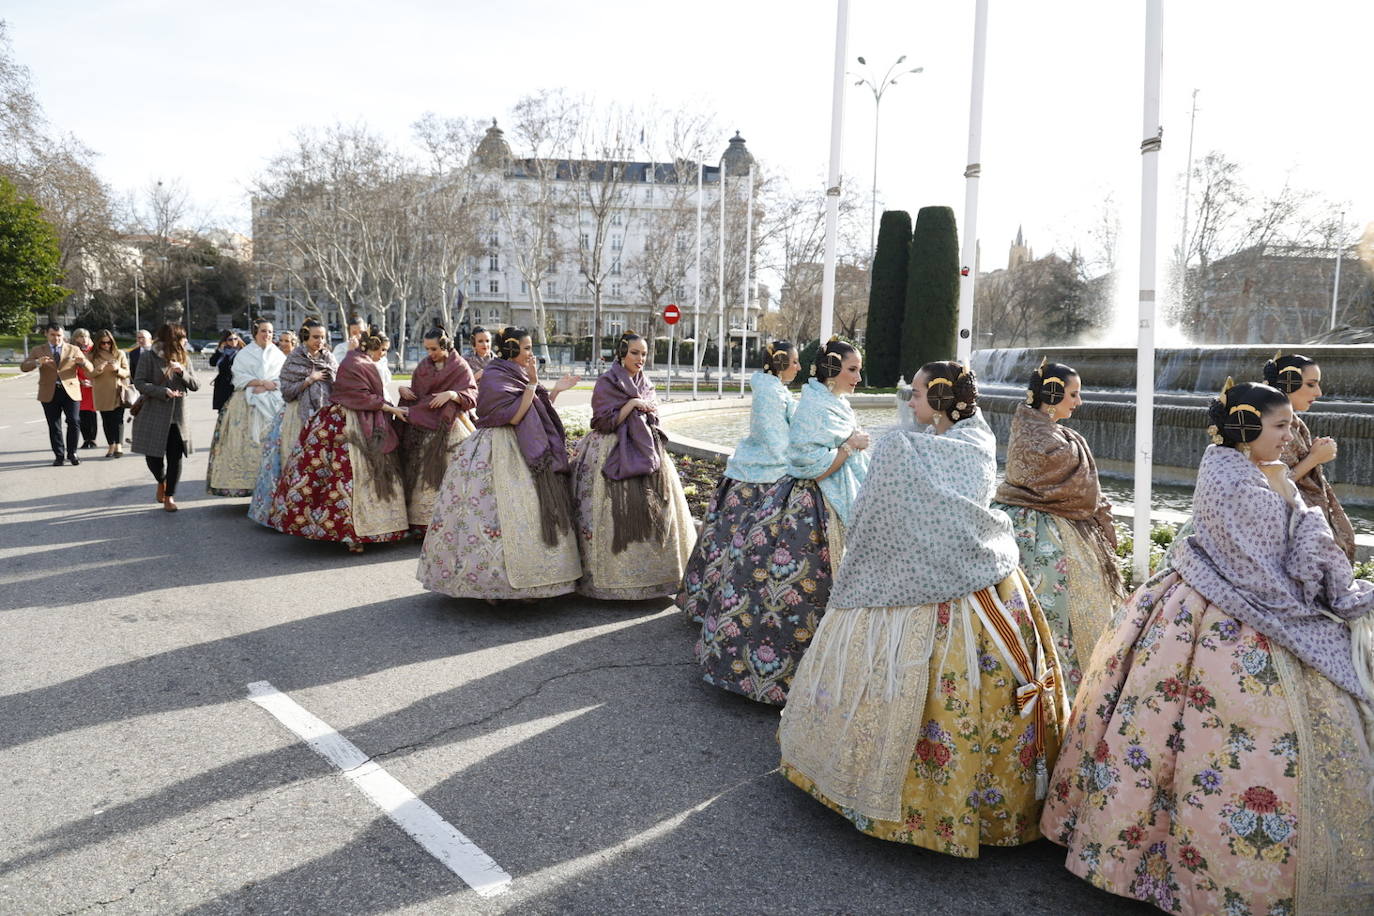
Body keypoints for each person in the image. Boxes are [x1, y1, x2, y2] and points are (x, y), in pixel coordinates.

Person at [1041, 379, 1374, 915]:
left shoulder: (1229, 465)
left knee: (1158, 733)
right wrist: (1297, 504)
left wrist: (1286, 489)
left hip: (1191, 600)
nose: (1290, 437)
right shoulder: (1245, 484)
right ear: (1246, 426)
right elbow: (1280, 576)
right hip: (1238, 616)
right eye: (1281, 426)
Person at [779, 360, 1067, 857]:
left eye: (914, 393)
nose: (907, 401)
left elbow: (888, 517)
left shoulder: (942, 446)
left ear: (938, 397)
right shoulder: (946, 442)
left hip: (941, 588)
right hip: (967, 582)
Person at [695, 339, 870, 704]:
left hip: (836, 500)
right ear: (833, 369)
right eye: (852, 369)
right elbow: (808, 462)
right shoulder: (813, 404)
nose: (857, 376)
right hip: (810, 506)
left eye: (857, 369)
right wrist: (850, 445)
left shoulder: (834, 401)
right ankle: (783, 677)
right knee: (791, 586)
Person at [989, 359, 1124, 701]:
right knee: (1049, 613)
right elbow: (1072, 488)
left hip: (1053, 527)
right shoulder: (1038, 436)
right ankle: (1063, 690)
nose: (1078, 402)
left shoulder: (1052, 432)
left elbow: (1081, 488)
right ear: (1051, 395)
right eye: (1073, 395)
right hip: (1039, 535)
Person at [418, 327, 582, 600]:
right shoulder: (495, 374)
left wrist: (553, 391)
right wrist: (532, 383)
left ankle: (538, 579)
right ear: (512, 349)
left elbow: (536, 409)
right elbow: (515, 417)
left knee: (529, 510)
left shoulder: (519, 374)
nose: (531, 354)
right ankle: (489, 583)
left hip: (525, 446)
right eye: (527, 349)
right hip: (496, 445)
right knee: (490, 513)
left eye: (531, 348)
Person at [677, 340, 800, 624]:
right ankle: (737, 610)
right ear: (781, 364)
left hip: (753, 469)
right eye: (794, 361)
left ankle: (709, 603)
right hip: (763, 474)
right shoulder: (771, 393)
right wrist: (794, 463)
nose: (798, 366)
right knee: (745, 546)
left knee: (725, 542)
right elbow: (773, 437)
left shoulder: (773, 388)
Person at [570, 332, 695, 600]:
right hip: (609, 447)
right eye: (635, 353)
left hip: (645, 449)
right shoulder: (606, 382)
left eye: (644, 354)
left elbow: (654, 414)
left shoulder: (646, 382)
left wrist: (640, 408)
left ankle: (655, 580)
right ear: (622, 354)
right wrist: (632, 405)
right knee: (609, 514)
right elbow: (602, 421)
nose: (640, 359)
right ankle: (610, 582)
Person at [268, 332, 410, 552]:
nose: (383, 355)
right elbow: (363, 397)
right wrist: (392, 409)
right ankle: (353, 533)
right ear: (372, 347)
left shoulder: (354, 360)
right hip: (352, 420)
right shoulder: (359, 363)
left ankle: (363, 531)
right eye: (382, 350)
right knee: (346, 473)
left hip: (348, 417)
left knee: (339, 474)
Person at [1264, 350, 1358, 562]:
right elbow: (1269, 485)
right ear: (1288, 383)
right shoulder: (1268, 424)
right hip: (1278, 528)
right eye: (1311, 384)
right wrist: (1314, 458)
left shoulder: (1294, 423)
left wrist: (1314, 453)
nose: (1319, 393)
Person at [248, 320, 336, 527]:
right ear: (306, 337)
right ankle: (288, 514)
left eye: (323, 337)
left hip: (324, 415)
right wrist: (309, 379)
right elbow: (287, 391)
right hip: (298, 415)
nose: (320, 341)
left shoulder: (329, 357)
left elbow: (337, 382)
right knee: (294, 462)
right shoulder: (295, 358)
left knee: (322, 465)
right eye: (316, 337)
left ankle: (317, 515)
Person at [398, 328, 477, 533]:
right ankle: (423, 524)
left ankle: (453, 524)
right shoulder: (424, 366)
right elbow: (416, 394)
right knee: (422, 474)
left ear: (444, 346)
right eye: (427, 349)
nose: (430, 353)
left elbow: (471, 395)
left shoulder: (460, 366)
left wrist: (452, 394)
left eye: (433, 348)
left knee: (452, 471)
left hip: (450, 424)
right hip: (422, 423)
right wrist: (404, 391)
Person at [206, 319, 284, 496]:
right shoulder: (245, 354)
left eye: (270, 332)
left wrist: (270, 384)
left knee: (272, 445)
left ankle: (272, 488)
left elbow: (284, 375)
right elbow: (238, 377)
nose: (267, 335)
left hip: (274, 402)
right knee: (246, 445)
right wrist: (258, 382)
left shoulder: (278, 354)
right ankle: (248, 486)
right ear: (256, 333)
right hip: (246, 403)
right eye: (264, 331)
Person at [131, 323, 200, 512]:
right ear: (171, 339)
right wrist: (162, 391)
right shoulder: (148, 357)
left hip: (178, 416)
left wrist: (181, 372)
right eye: (181, 337)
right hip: (154, 413)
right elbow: (139, 382)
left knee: (175, 457)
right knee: (153, 457)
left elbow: (195, 384)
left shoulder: (184, 357)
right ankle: (161, 481)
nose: (185, 341)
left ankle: (170, 496)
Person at [20, 323, 92, 466]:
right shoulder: (38, 350)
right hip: (49, 391)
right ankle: (59, 455)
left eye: (59, 335)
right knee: (54, 425)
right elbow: (23, 367)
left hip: (70, 391)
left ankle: (72, 453)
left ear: (63, 335)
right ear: (46, 334)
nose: (56, 338)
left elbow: (91, 369)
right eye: (53, 335)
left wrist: (83, 362)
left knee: (74, 421)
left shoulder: (73, 349)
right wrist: (37, 362)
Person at [89, 329, 131, 458]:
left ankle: (118, 444)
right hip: (101, 391)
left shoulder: (119, 354)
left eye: (109, 343)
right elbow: (88, 374)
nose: (106, 345)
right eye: (103, 343)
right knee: (106, 419)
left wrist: (117, 369)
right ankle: (111, 444)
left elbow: (127, 372)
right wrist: (98, 369)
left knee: (118, 418)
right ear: (98, 343)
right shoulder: (92, 356)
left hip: (118, 390)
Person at [71, 328, 99, 450]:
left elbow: (98, 368)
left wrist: (92, 381)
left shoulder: (94, 351)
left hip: (91, 386)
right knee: (81, 414)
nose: (84, 339)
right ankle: (85, 439)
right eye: (81, 336)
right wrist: (79, 381)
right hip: (78, 386)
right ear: (76, 338)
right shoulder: (72, 351)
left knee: (91, 414)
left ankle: (92, 439)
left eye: (87, 336)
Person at [209, 330, 244, 412]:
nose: (233, 341)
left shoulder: (242, 352)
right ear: (225, 341)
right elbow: (212, 362)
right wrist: (220, 350)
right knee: (223, 414)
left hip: (236, 385)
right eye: (230, 339)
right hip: (223, 386)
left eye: (235, 339)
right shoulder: (222, 352)